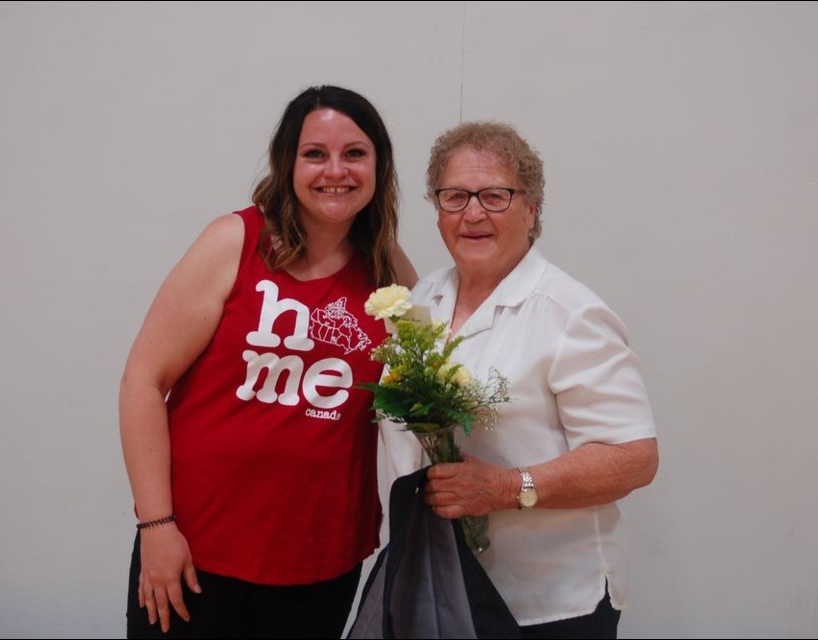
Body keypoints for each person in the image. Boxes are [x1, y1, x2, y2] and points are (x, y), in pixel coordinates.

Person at [119, 85, 418, 638]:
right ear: (288, 163)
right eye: (315, 154)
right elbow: (143, 380)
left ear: (378, 166)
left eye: (355, 153)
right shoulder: (233, 240)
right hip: (195, 552)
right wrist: (155, 525)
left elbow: (423, 397)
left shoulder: (389, 273)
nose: (336, 170)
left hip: (319, 561)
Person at [381, 121, 658, 639]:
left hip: (547, 603)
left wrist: (509, 488)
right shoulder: (421, 304)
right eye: (455, 196)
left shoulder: (570, 314)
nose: (473, 213)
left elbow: (634, 458)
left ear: (531, 210)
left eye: (495, 196)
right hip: (440, 590)